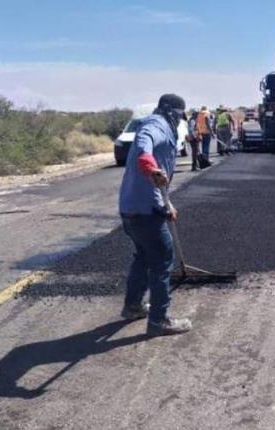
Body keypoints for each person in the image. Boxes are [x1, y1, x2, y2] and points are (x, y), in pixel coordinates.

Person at [118, 93, 192, 337]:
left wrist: (165, 205)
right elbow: (143, 146)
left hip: (132, 209)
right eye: (180, 115)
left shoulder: (160, 126)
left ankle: (133, 306)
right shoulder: (155, 125)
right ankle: (159, 321)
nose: (181, 120)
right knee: (161, 261)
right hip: (145, 211)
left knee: (142, 257)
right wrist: (151, 168)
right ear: (172, 111)